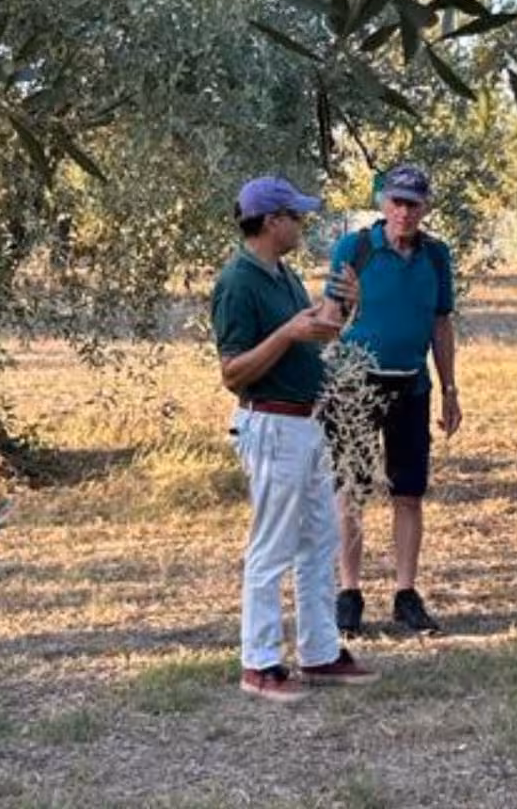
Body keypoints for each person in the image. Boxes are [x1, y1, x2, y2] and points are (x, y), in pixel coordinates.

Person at [211, 175, 378, 702]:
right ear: (270, 221)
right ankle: (258, 661)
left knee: (317, 539)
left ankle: (319, 651)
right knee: (272, 546)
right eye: (295, 216)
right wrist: (287, 335)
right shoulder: (237, 282)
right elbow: (233, 372)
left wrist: (344, 305)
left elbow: (316, 330)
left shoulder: (280, 275)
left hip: (305, 423)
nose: (302, 225)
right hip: (273, 422)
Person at [324, 163, 461, 637]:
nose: (404, 212)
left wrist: (449, 388)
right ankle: (349, 592)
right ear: (382, 203)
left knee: (408, 492)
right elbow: (329, 318)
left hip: (411, 385)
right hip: (356, 386)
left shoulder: (436, 256)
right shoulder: (355, 248)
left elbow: (442, 324)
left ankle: (405, 593)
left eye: (414, 204)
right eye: (396, 202)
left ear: (426, 208)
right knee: (352, 489)